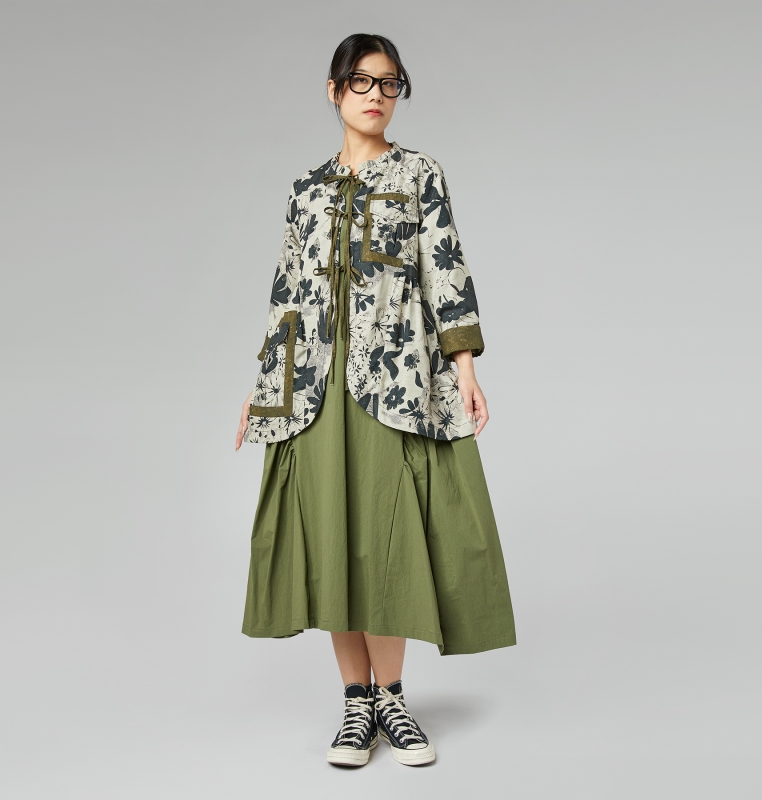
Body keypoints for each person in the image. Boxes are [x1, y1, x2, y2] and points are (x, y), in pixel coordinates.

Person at [235, 33, 516, 768]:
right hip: (314, 386)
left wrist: (465, 367)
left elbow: (445, 268)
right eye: (361, 82)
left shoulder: (421, 173)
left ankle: (391, 698)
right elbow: (287, 294)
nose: (376, 96)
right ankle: (355, 704)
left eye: (390, 83)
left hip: (394, 381)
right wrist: (262, 389)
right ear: (334, 91)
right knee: (333, 536)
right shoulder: (305, 190)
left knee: (387, 539)